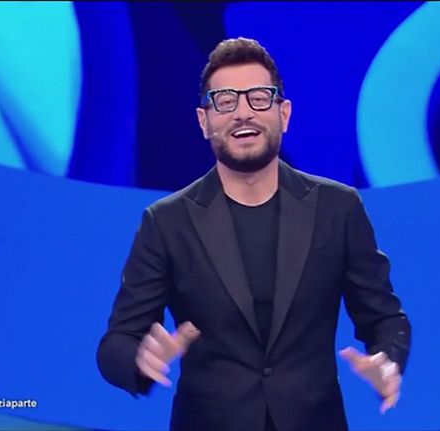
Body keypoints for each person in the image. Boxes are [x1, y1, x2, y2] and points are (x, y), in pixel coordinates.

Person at [96, 37, 411, 431]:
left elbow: (385, 318)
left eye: (259, 98)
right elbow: (116, 343)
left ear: (284, 113)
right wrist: (140, 357)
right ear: (204, 121)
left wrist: (388, 360)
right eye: (225, 101)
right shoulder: (167, 222)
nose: (243, 113)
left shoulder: (338, 208)